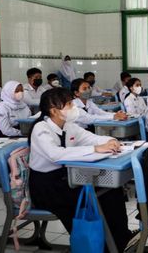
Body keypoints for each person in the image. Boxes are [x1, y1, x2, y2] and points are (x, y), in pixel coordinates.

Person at [28, 88, 133, 252]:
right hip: (47, 187)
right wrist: (95, 149)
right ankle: (97, 246)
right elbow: (56, 155)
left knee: (111, 191)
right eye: (69, 104)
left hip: (67, 178)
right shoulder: (41, 129)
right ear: (54, 111)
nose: (73, 107)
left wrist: (112, 141)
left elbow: (91, 138)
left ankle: (122, 239)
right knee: (87, 201)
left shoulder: (69, 126)